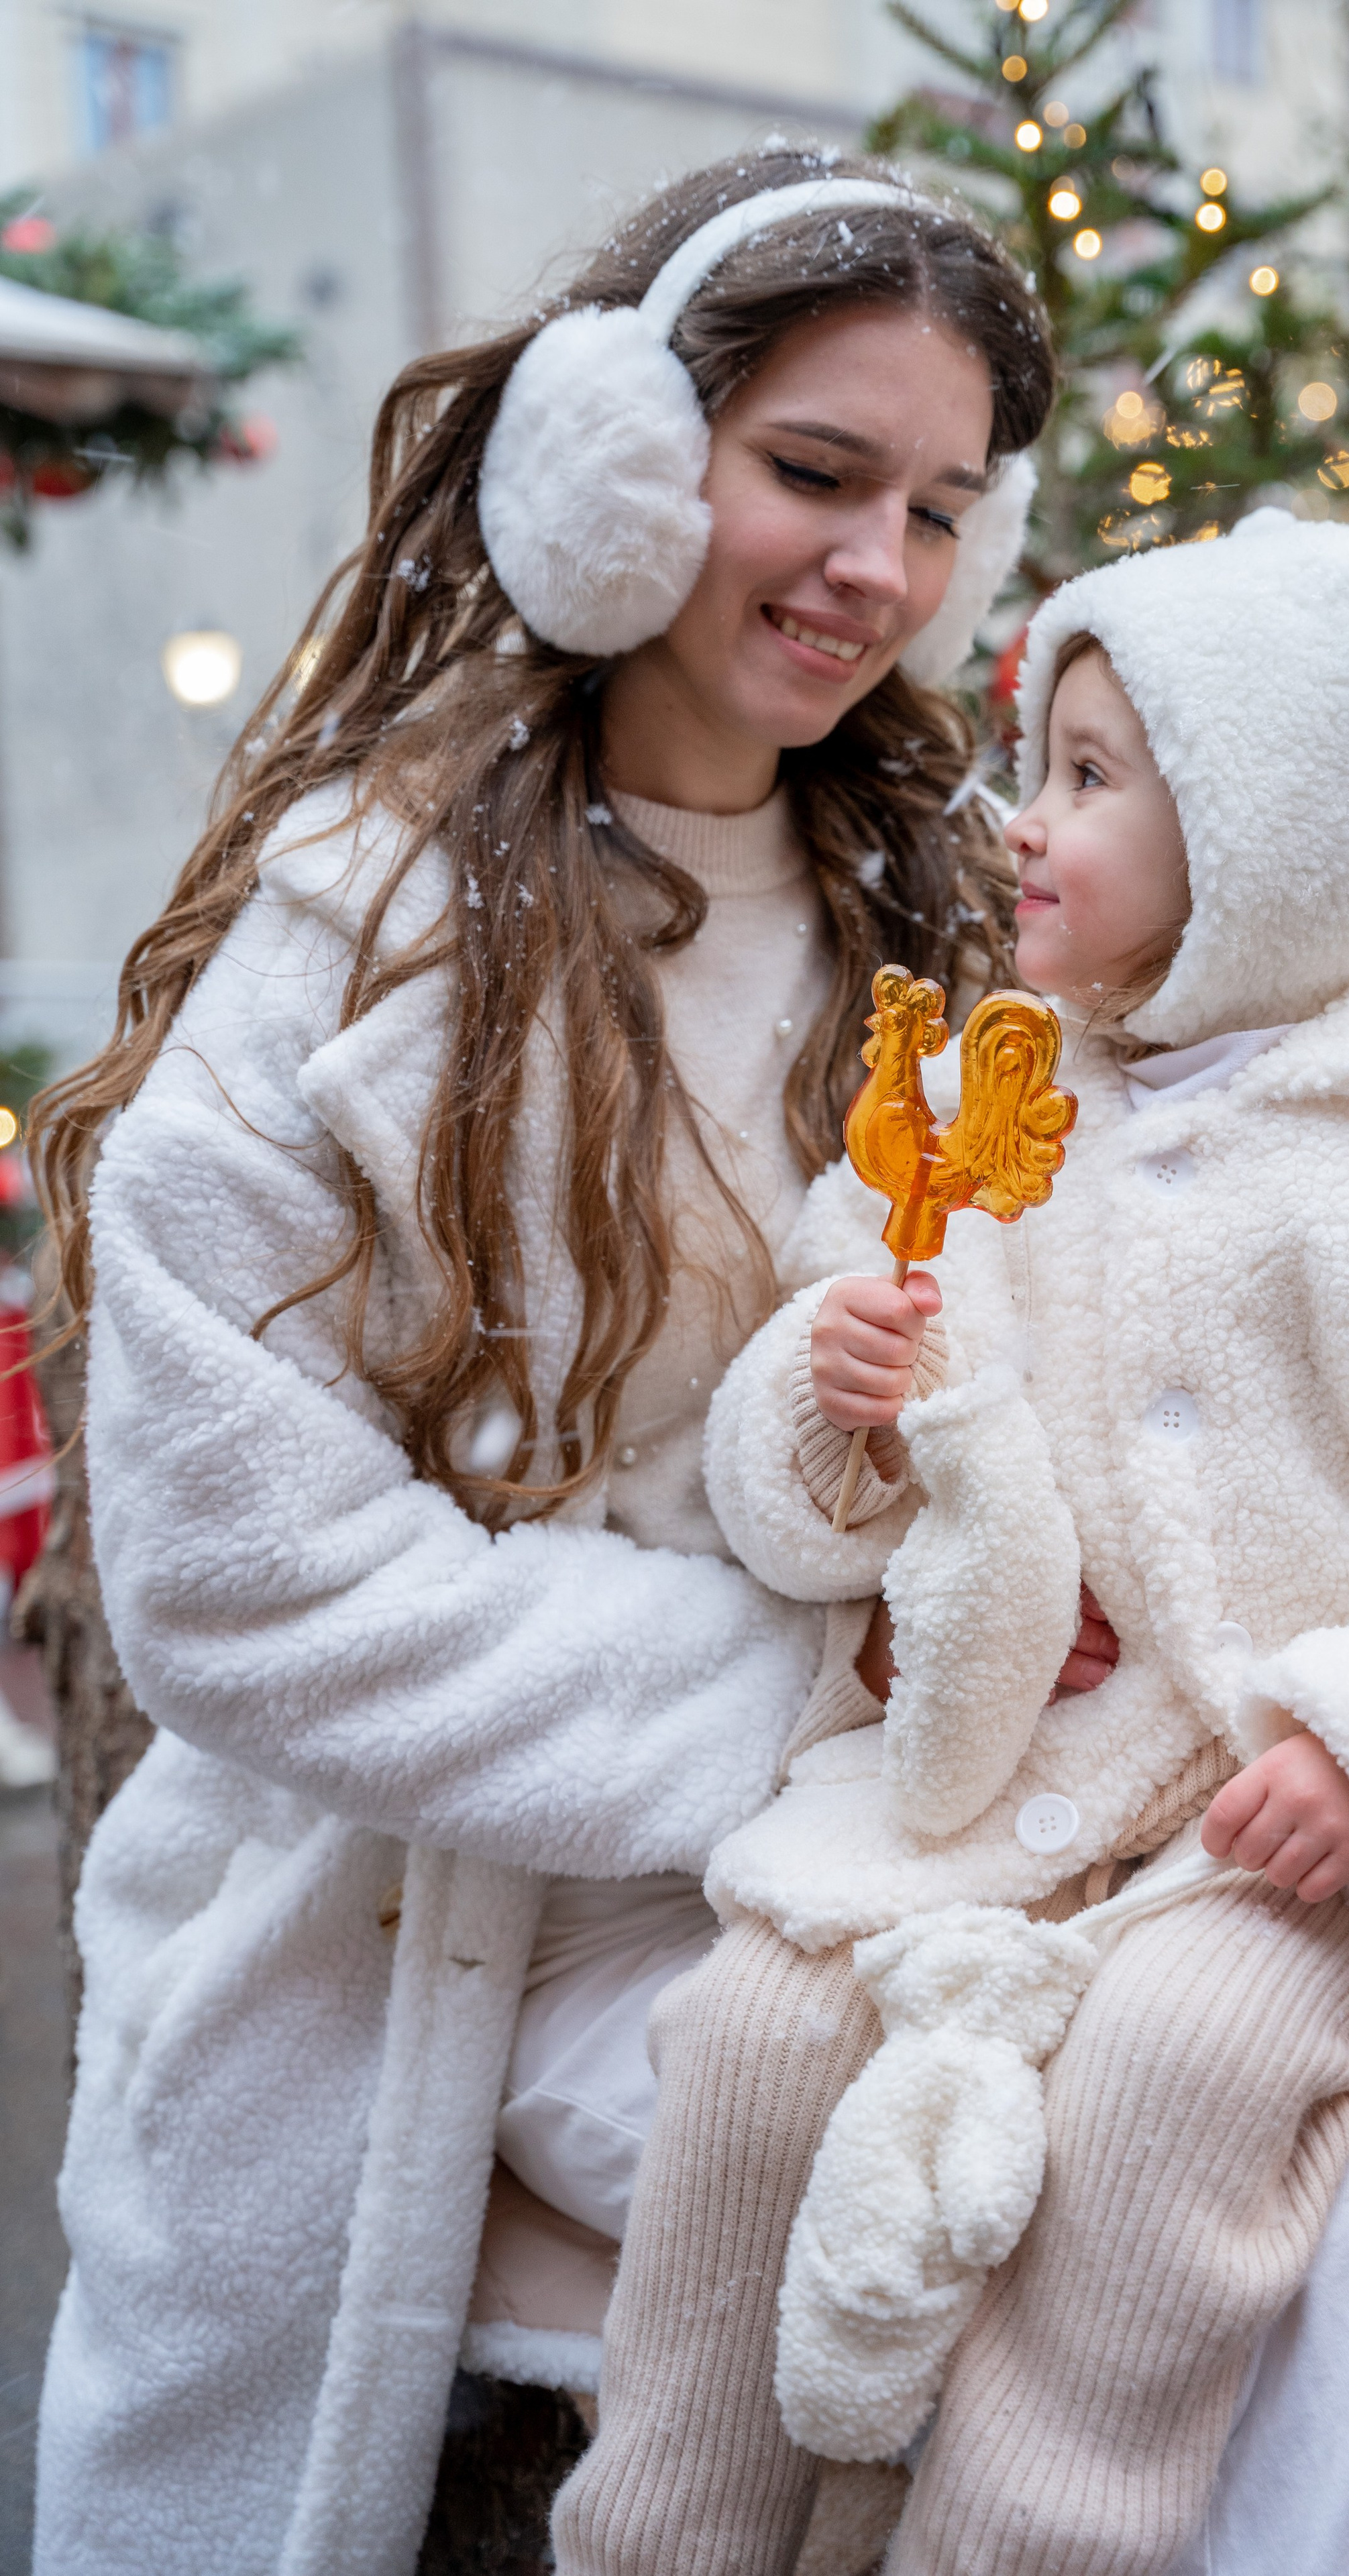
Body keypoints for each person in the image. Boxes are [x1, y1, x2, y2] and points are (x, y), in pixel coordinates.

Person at [26, 150, 1057, 2576]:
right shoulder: (360, 950)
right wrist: (802, 1696)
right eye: (811, 475)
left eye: (938, 507)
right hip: (425, 1927)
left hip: (864, 1860)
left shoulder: (957, 939)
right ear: (604, 461)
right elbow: (247, 1581)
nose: (876, 574)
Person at [557, 483, 1349, 2575]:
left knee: (1171, 2079)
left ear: (1290, 830)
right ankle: (668, 2533)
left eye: (1089, 777)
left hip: (1307, 1853)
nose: (1021, 818)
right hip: (1018, 1782)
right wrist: (832, 1413)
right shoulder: (1000, 1118)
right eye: (1034, 760)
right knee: (749, 2035)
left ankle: (1027, 2540)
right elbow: (817, 1499)